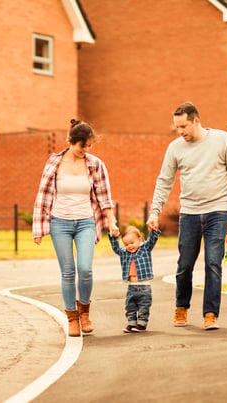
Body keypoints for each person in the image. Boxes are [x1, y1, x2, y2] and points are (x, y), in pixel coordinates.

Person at [146, 101, 227, 330]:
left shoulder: (222, 140)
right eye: (177, 128)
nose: (180, 132)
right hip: (189, 213)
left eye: (184, 126)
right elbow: (164, 181)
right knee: (184, 264)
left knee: (213, 263)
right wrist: (155, 211)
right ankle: (181, 307)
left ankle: (210, 314)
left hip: (217, 211)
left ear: (196, 121)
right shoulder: (175, 148)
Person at [33, 118, 119, 337]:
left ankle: (85, 313)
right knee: (68, 272)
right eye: (83, 145)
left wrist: (112, 221)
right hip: (59, 222)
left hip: (85, 222)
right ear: (71, 141)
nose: (86, 150)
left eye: (89, 145)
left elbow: (104, 197)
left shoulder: (95, 164)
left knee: (85, 270)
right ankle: (72, 317)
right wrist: (39, 227)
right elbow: (43, 194)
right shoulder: (54, 162)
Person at [109, 226, 160, 333]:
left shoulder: (145, 249)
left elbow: (152, 240)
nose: (130, 246)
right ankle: (131, 323)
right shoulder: (124, 253)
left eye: (132, 242)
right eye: (126, 244)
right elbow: (116, 248)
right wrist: (113, 237)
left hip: (144, 287)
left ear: (140, 240)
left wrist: (154, 230)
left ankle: (141, 324)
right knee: (130, 306)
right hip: (131, 287)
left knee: (143, 306)